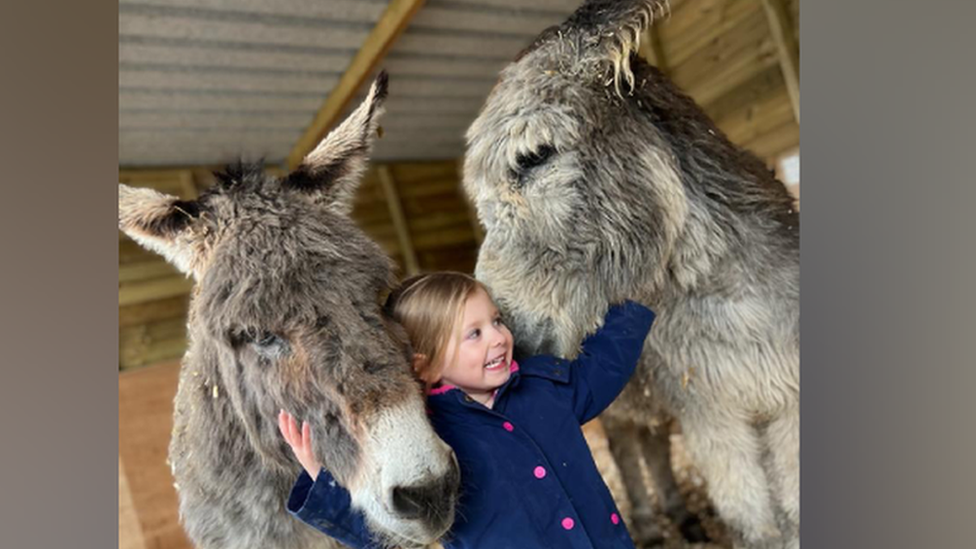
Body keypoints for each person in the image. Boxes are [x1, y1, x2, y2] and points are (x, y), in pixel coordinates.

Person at [279, 272, 656, 549]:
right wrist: (321, 483)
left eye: (496, 321)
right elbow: (390, 538)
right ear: (425, 367)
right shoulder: (433, 443)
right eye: (474, 334)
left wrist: (635, 303)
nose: (498, 337)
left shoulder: (542, 389)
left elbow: (602, 370)